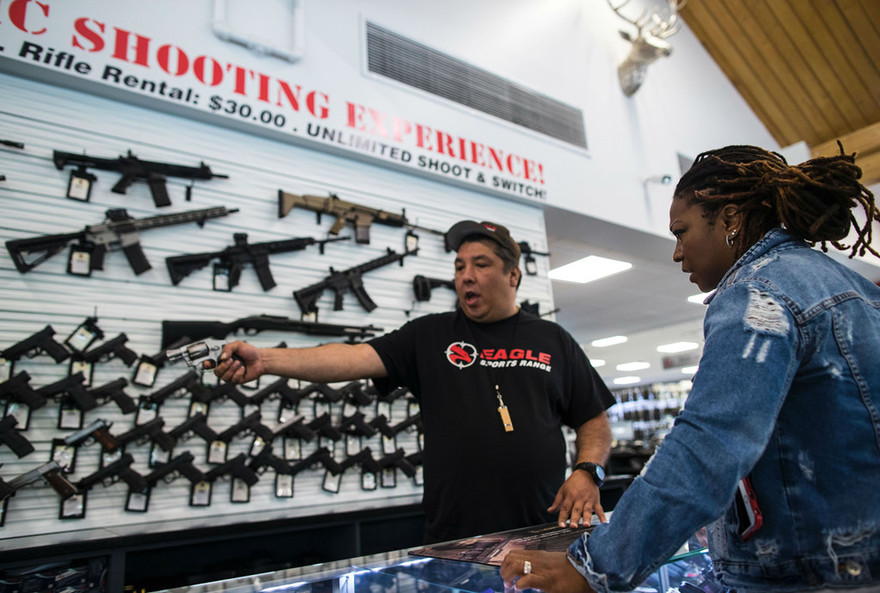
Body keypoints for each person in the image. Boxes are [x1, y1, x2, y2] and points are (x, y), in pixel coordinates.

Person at [501, 145, 880, 593]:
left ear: (731, 219)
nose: (677, 253)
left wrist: (594, 566)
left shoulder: (756, 293)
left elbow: (708, 442)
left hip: (806, 576)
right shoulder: (858, 289)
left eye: (682, 232)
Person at [213, 220, 615, 543]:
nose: (466, 276)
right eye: (459, 267)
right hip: (456, 540)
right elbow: (352, 358)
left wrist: (588, 471)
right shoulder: (429, 335)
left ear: (513, 275)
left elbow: (593, 418)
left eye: (481, 264)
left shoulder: (553, 340)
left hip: (542, 532)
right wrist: (266, 360)